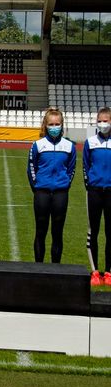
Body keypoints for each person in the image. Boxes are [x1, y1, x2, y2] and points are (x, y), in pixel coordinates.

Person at [27, 108, 76, 264]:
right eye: (51, 124)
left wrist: (65, 183)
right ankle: (39, 268)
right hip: (42, 193)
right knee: (40, 232)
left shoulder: (69, 146)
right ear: (45, 125)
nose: (54, 127)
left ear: (62, 125)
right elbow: (31, 168)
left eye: (57, 124)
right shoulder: (38, 145)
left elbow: (71, 168)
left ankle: (56, 270)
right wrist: (37, 186)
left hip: (61, 194)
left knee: (57, 233)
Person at [83, 106, 111, 286]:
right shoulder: (90, 142)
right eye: (100, 120)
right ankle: (94, 271)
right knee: (93, 231)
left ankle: (108, 272)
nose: (102, 124)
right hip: (94, 191)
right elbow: (85, 166)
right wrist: (90, 185)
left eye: (106, 120)